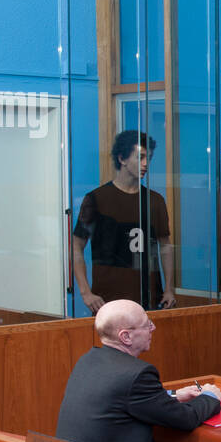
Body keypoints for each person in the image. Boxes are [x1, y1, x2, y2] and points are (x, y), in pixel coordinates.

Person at [55, 299, 221, 442]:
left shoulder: (88, 360)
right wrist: (209, 396)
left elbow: (122, 400)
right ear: (126, 336)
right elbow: (185, 419)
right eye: (147, 324)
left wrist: (173, 395)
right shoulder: (137, 374)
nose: (153, 328)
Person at [72, 130, 177, 313]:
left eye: (148, 158)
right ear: (122, 159)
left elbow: (165, 246)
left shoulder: (155, 200)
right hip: (108, 301)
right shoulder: (96, 199)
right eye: (140, 157)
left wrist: (169, 289)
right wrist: (85, 292)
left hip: (149, 299)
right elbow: (76, 247)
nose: (146, 164)